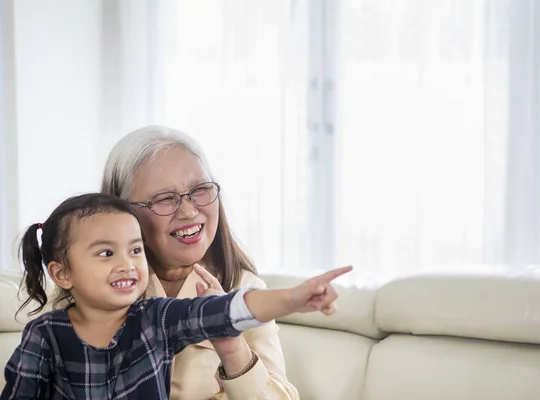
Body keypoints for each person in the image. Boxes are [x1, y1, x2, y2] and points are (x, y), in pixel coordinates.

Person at [1, 193, 351, 400]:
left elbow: (228, 310)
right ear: (62, 273)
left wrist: (294, 297)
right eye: (106, 254)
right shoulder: (44, 335)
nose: (127, 265)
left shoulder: (156, 319)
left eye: (135, 250)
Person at [100, 125, 318, 399]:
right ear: (122, 212)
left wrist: (233, 349)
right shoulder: (89, 282)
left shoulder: (245, 291)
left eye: (201, 189)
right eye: (165, 199)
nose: (190, 211)